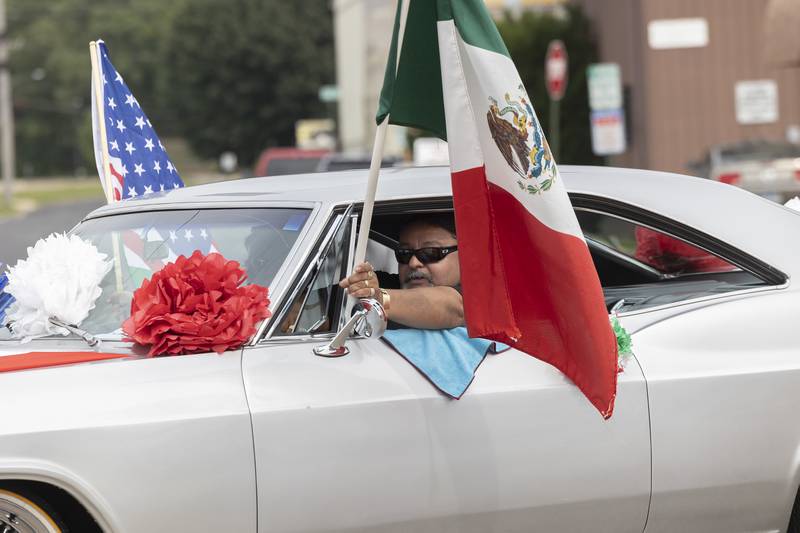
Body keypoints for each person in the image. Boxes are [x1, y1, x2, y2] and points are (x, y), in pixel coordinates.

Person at [339, 214, 464, 329]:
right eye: (404, 253)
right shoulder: (378, 284)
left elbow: (449, 307)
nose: (413, 263)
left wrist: (379, 298)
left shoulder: (477, 296)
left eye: (430, 252)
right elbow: (323, 309)